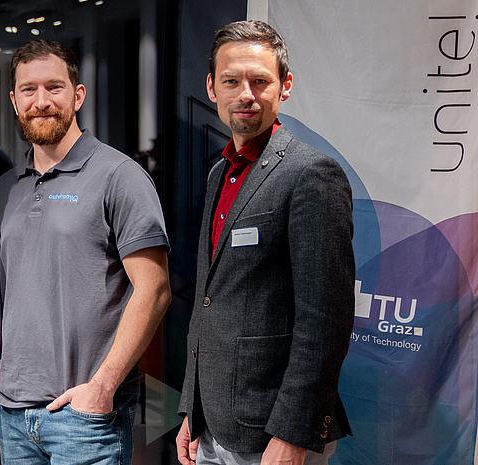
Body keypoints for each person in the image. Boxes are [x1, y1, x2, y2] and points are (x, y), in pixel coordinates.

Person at [175, 20, 354, 465]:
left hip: (273, 432)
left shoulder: (311, 174)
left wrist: (293, 433)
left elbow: (325, 321)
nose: (246, 94)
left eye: (260, 81)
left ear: (285, 86)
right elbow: (208, 299)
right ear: (212, 88)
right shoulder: (220, 173)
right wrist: (190, 410)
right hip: (214, 425)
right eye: (231, 81)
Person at [0, 39, 172, 464]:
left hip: (85, 417)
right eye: (29, 90)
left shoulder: (119, 176)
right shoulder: (6, 189)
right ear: (15, 102)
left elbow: (155, 289)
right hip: (13, 413)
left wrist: (103, 387)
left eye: (54, 87)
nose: (41, 102)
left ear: (78, 95)